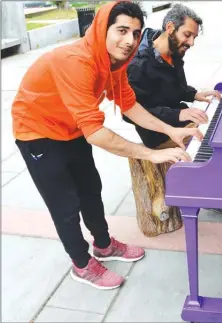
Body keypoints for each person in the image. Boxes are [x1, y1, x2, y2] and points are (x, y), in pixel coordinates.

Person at [11, 0, 202, 290]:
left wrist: (169, 130)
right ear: (102, 29)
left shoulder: (113, 63)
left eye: (136, 33)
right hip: (37, 131)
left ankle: (103, 245)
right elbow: (97, 134)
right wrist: (151, 153)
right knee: (65, 205)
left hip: (71, 128)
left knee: (91, 190)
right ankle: (81, 263)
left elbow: (129, 104)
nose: (129, 41)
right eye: (122, 30)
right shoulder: (76, 62)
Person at [124, 3, 222, 221]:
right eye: (188, 35)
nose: (191, 42)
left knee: (220, 123)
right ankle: (210, 193)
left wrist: (196, 94)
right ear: (170, 27)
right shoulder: (139, 65)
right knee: (209, 139)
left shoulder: (174, 50)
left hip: (178, 118)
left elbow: (177, 88)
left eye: (194, 37)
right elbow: (130, 112)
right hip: (157, 133)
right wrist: (178, 115)